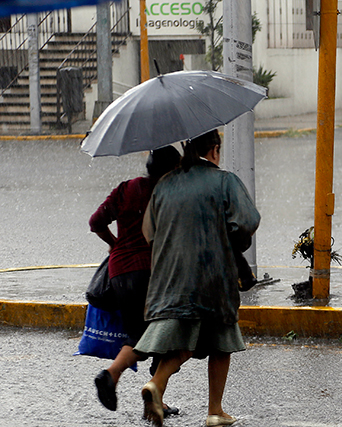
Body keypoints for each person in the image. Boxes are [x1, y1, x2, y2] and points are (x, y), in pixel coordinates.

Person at [134, 129, 261, 427]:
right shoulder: (224, 180)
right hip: (213, 274)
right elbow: (247, 221)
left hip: (171, 276)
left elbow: (149, 233)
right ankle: (215, 410)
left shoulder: (165, 184)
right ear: (215, 150)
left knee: (182, 341)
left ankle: (156, 383)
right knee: (221, 340)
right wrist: (231, 243)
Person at [89, 146, 182, 415]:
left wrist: (115, 243)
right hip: (154, 274)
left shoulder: (125, 188)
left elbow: (96, 222)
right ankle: (114, 375)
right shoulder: (168, 194)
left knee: (141, 334)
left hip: (120, 272)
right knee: (164, 336)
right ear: (172, 170)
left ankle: (150, 396)